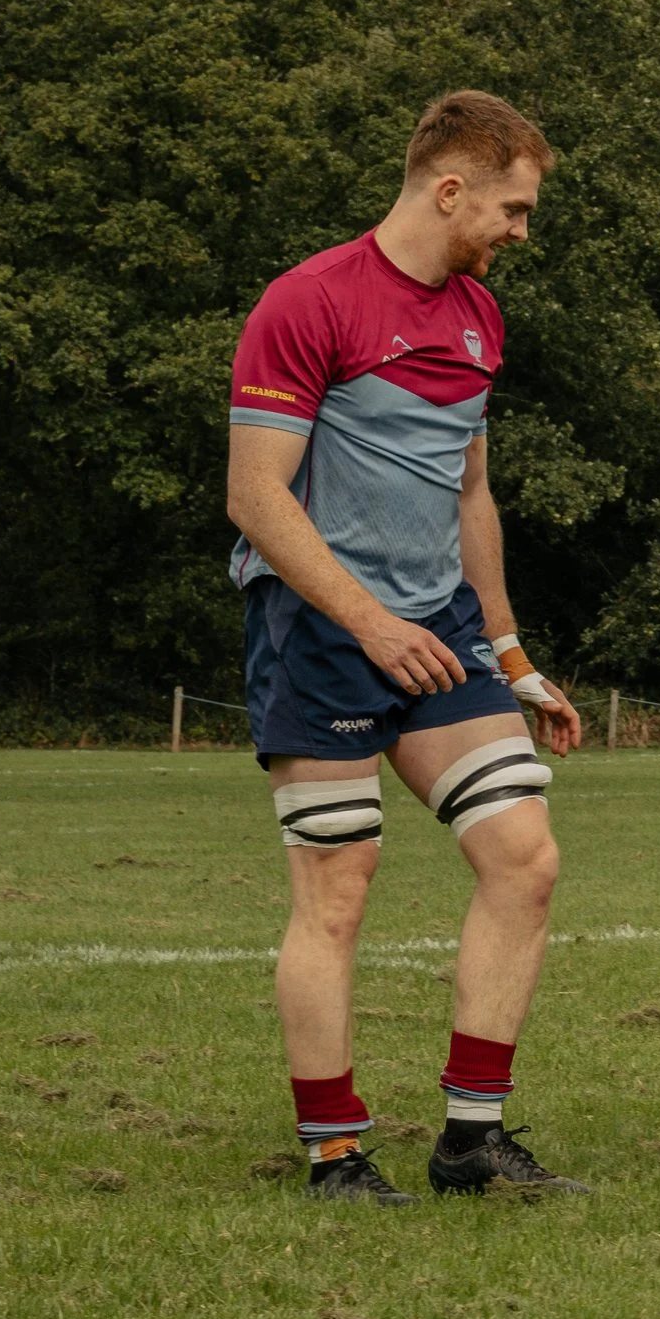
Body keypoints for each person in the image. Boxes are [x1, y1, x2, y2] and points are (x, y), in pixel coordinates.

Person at [225, 89, 587, 1206]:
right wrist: (369, 622)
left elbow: (470, 493)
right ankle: (335, 1152)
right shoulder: (309, 300)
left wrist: (510, 654)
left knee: (523, 855)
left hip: (439, 632)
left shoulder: (479, 315)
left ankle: (470, 1138)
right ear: (450, 188)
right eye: (512, 209)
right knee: (338, 887)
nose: (519, 231)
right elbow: (255, 496)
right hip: (321, 629)